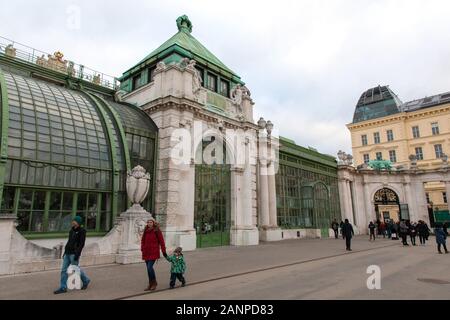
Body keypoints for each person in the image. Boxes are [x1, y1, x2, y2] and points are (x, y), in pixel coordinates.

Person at [54, 216, 90, 294]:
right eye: (73, 220)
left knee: (75, 270)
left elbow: (81, 244)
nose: (73, 222)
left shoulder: (82, 231)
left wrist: (77, 254)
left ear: (78, 222)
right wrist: (64, 252)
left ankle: (86, 280)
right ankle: (63, 287)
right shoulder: (71, 230)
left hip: (74, 254)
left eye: (75, 221)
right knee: (64, 270)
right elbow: (69, 241)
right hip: (67, 253)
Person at [141, 217, 167, 291]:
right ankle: (150, 284)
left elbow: (161, 241)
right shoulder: (146, 230)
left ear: (153, 223)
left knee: (149, 268)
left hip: (154, 252)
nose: (149, 223)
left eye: (151, 222)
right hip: (146, 252)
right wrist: (142, 248)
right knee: (148, 269)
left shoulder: (157, 230)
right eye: (148, 222)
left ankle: (154, 283)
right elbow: (143, 240)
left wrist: (164, 251)